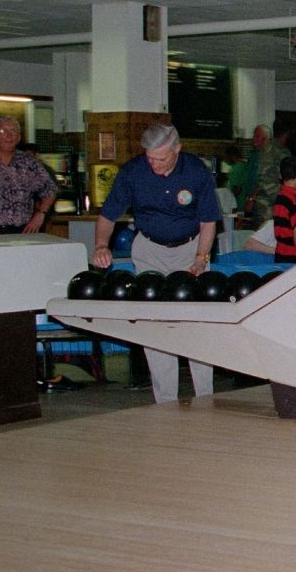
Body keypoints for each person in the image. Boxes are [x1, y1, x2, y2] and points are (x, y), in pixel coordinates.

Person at [91, 123, 222, 404]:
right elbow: (108, 216)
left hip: (190, 249)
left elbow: (208, 221)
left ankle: (205, 396)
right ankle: (166, 400)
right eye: (150, 157)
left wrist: (201, 259)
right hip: (149, 249)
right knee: (156, 324)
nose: (154, 164)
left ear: (177, 149)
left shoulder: (197, 171)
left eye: (161, 158)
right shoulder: (133, 172)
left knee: (197, 323)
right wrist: (101, 245)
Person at [0, 116, 57, 234]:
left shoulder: (29, 162)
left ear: (19, 137)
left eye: (13, 131)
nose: (9, 135)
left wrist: (40, 214)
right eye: (3, 131)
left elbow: (50, 190)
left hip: (22, 230)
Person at [250, 121, 290, 229]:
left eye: (256, 136)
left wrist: (251, 198)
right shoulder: (268, 150)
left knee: (267, 235)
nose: (254, 139)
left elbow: (263, 179)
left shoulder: (274, 151)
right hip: (269, 202)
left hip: (271, 201)